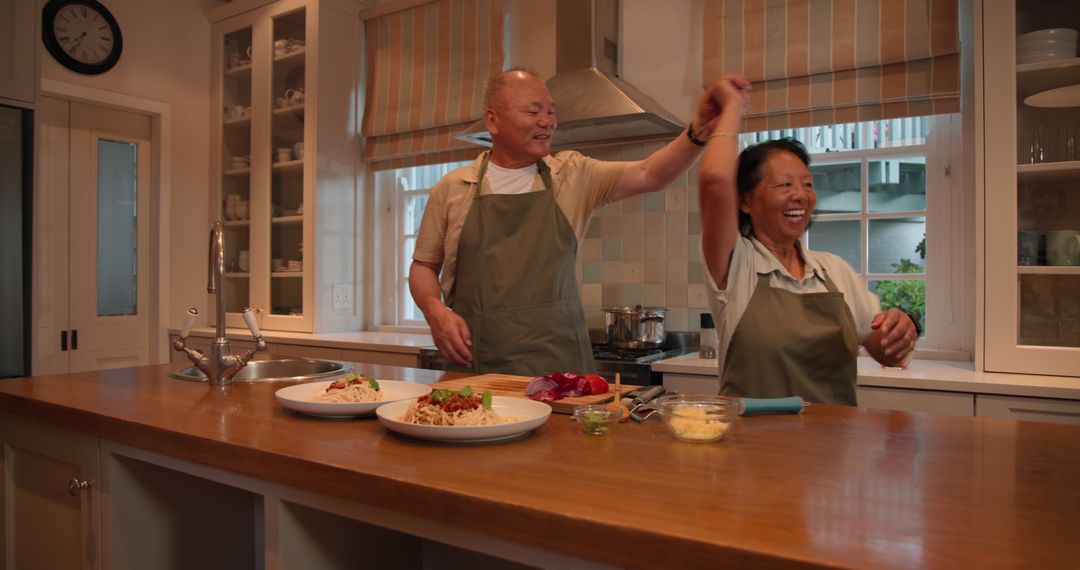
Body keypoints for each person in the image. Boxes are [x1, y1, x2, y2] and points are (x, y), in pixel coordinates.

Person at [410, 68, 722, 376]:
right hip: (477, 368)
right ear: (492, 120)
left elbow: (650, 174)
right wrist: (434, 310)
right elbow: (423, 266)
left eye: (551, 111)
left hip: (560, 372)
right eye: (533, 111)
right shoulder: (452, 189)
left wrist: (698, 131)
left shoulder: (572, 176)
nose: (547, 121)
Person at [697, 75, 919, 405]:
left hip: (832, 452)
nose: (800, 195)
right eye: (784, 185)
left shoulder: (836, 271)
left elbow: (885, 352)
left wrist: (901, 329)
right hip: (751, 450)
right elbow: (715, 180)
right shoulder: (736, 264)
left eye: (808, 184)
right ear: (745, 201)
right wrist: (731, 107)